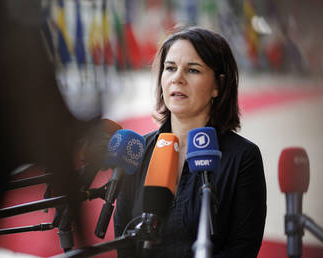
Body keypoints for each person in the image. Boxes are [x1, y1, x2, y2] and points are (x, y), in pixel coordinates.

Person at [114, 26, 267, 258]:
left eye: (193, 70)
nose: (177, 78)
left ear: (218, 85)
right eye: (170, 68)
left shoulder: (243, 157)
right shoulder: (137, 150)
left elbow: (243, 248)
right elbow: (123, 239)